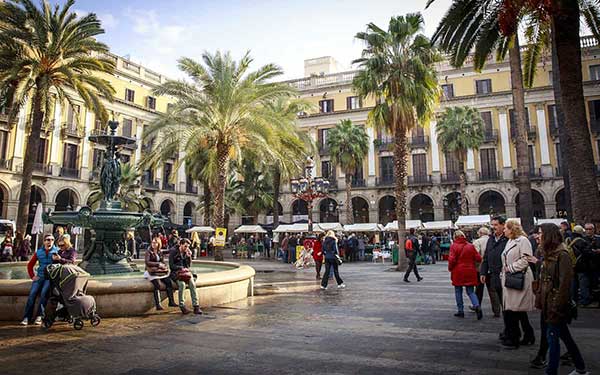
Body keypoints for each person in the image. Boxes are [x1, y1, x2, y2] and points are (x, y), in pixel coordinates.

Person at [534, 223, 589, 375]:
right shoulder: (548, 253)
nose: (537, 236)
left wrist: (555, 306)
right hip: (548, 302)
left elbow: (565, 285)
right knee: (565, 337)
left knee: (553, 340)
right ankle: (581, 369)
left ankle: (551, 372)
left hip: (555, 304)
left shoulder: (562, 254)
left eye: (540, 233)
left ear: (548, 235)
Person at [500, 219, 535, 348]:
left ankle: (513, 339)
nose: (504, 230)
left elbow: (526, 259)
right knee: (517, 309)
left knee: (513, 310)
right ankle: (528, 335)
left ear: (511, 229)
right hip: (511, 278)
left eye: (505, 228)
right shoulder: (510, 241)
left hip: (519, 278)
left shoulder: (523, 241)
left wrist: (510, 268)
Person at [21, 234, 59, 325]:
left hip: (49, 278)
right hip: (40, 276)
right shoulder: (39, 252)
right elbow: (30, 265)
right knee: (32, 294)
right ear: (44, 241)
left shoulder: (57, 251)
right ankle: (26, 317)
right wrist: (32, 276)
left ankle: (39, 316)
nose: (50, 241)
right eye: (48, 239)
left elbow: (60, 265)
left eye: (52, 240)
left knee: (43, 294)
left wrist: (58, 259)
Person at [448, 230, 483, 319]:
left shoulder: (454, 246)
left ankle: (461, 311)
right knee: (470, 291)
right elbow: (478, 258)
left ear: (455, 237)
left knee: (458, 291)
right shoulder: (470, 246)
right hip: (470, 270)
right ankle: (477, 306)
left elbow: (452, 260)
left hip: (458, 271)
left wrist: (450, 268)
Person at [480, 216, 507, 318]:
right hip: (494, 276)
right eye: (492, 225)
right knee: (501, 300)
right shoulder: (491, 239)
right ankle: (508, 328)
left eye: (496, 225)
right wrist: (483, 272)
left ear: (503, 225)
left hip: (505, 275)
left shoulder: (507, 239)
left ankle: (513, 329)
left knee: (508, 305)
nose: (493, 227)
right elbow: (486, 257)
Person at [169, 238, 202, 315]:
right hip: (176, 274)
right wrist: (180, 268)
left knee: (192, 284)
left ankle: (196, 306)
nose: (186, 248)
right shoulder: (173, 251)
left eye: (187, 247)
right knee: (182, 285)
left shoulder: (186, 252)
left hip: (185, 273)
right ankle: (182, 306)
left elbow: (189, 266)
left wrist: (189, 257)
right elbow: (171, 266)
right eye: (185, 246)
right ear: (180, 244)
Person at [145, 237, 176, 310]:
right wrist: (158, 264)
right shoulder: (148, 252)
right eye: (152, 242)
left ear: (159, 244)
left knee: (168, 282)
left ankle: (171, 302)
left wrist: (165, 266)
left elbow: (163, 261)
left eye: (155, 243)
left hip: (159, 272)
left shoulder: (160, 252)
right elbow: (147, 262)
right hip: (151, 272)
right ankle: (158, 305)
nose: (153, 244)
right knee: (157, 284)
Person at [578, 224, 600, 308]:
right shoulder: (582, 240)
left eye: (590, 229)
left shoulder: (598, 238)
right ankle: (586, 301)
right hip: (585, 265)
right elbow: (582, 252)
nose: (588, 231)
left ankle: (594, 299)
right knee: (585, 284)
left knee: (595, 284)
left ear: (593, 229)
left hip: (596, 265)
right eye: (586, 229)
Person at [473, 227, 490, 312]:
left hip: (480, 268)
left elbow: (475, 255)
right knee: (492, 290)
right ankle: (497, 309)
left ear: (480, 233)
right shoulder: (492, 240)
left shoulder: (477, 242)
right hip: (491, 268)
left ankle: (477, 305)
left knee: (479, 288)